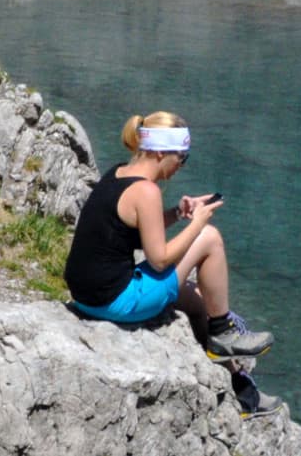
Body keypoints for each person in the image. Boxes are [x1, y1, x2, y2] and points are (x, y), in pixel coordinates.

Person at [63, 112, 277, 372]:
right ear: (160, 152)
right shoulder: (147, 191)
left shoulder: (118, 173)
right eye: (182, 157)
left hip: (85, 296)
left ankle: (231, 375)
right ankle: (223, 333)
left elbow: (134, 227)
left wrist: (177, 213)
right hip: (113, 303)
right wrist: (197, 223)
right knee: (210, 238)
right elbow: (159, 259)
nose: (181, 165)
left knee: (196, 300)